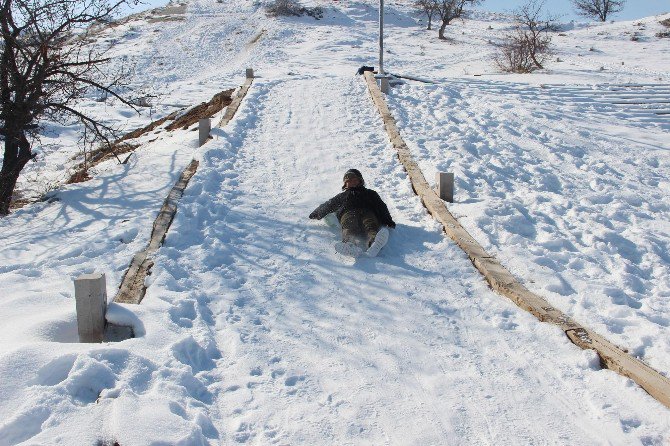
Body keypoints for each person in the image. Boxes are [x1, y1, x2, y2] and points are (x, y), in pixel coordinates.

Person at [309, 169, 396, 249]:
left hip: (367, 212)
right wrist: (318, 213)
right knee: (349, 225)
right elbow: (329, 204)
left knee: (370, 223)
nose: (352, 182)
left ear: (360, 181)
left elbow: (381, 206)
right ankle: (349, 244)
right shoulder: (342, 196)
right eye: (349, 181)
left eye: (354, 180)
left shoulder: (370, 193)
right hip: (348, 213)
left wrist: (388, 220)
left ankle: (374, 242)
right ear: (345, 184)